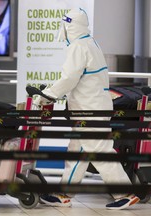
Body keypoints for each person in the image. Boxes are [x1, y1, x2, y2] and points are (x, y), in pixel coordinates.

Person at [34, 8, 140, 210]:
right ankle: (64, 193)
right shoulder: (91, 42)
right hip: (92, 107)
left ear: (68, 26)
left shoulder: (78, 47)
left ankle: (125, 192)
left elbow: (69, 78)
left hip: (89, 110)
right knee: (78, 151)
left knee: (99, 150)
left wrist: (48, 94)